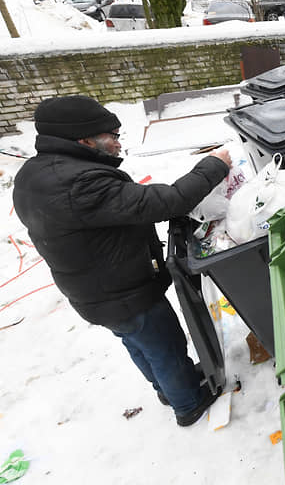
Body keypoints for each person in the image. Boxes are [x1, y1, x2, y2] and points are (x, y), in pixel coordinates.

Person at [13, 95, 232, 427]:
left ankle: (168, 387)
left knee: (139, 344)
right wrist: (215, 164)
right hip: (124, 292)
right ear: (85, 140)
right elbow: (166, 201)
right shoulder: (81, 183)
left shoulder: (34, 172)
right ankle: (189, 403)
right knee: (165, 347)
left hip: (92, 291)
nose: (117, 143)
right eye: (112, 136)